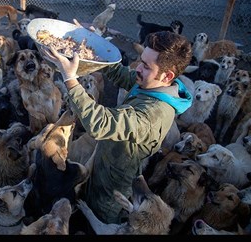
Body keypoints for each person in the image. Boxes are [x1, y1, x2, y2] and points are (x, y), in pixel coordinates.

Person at [40, 30, 193, 225]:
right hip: (105, 162)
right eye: (141, 61)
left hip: (113, 184)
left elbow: (99, 123)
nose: (138, 68)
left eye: (146, 66)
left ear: (167, 75)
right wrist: (94, 47)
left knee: (98, 218)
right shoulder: (153, 85)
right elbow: (120, 74)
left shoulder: (153, 114)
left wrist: (70, 78)